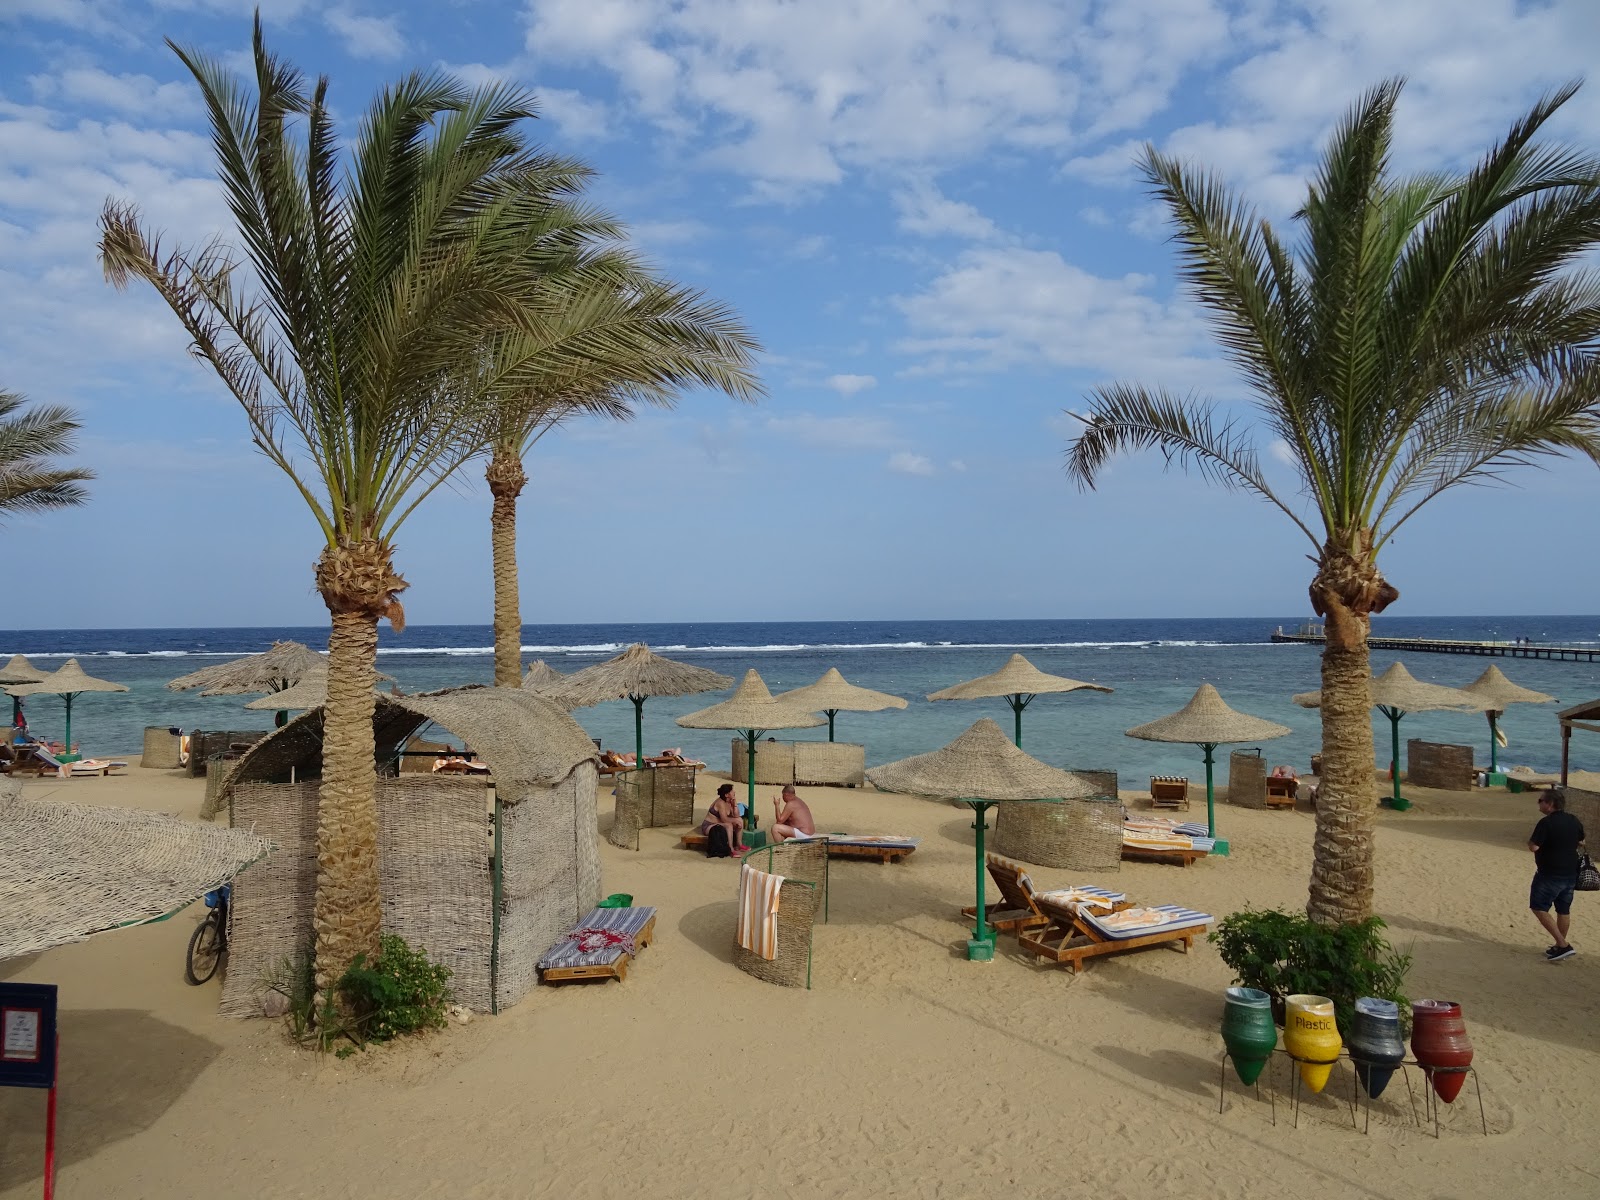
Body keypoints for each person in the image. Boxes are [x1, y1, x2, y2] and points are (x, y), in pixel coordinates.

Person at [1528, 787, 1585, 962]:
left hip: (1549, 874)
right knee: (1563, 909)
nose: (1539, 804)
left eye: (1541, 801)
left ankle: (1562, 944)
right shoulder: (1573, 820)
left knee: (1538, 907)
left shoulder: (1546, 823)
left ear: (1550, 804)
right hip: (1569, 873)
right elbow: (1582, 842)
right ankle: (1559, 947)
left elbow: (1534, 847)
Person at [700, 783, 747, 857]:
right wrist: (735, 821)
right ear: (726, 795)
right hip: (709, 826)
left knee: (739, 819)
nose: (734, 792)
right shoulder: (720, 803)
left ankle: (739, 845)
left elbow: (736, 815)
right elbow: (724, 819)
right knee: (729, 825)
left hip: (720, 824)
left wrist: (734, 805)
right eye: (732, 790)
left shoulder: (729, 801)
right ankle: (731, 849)